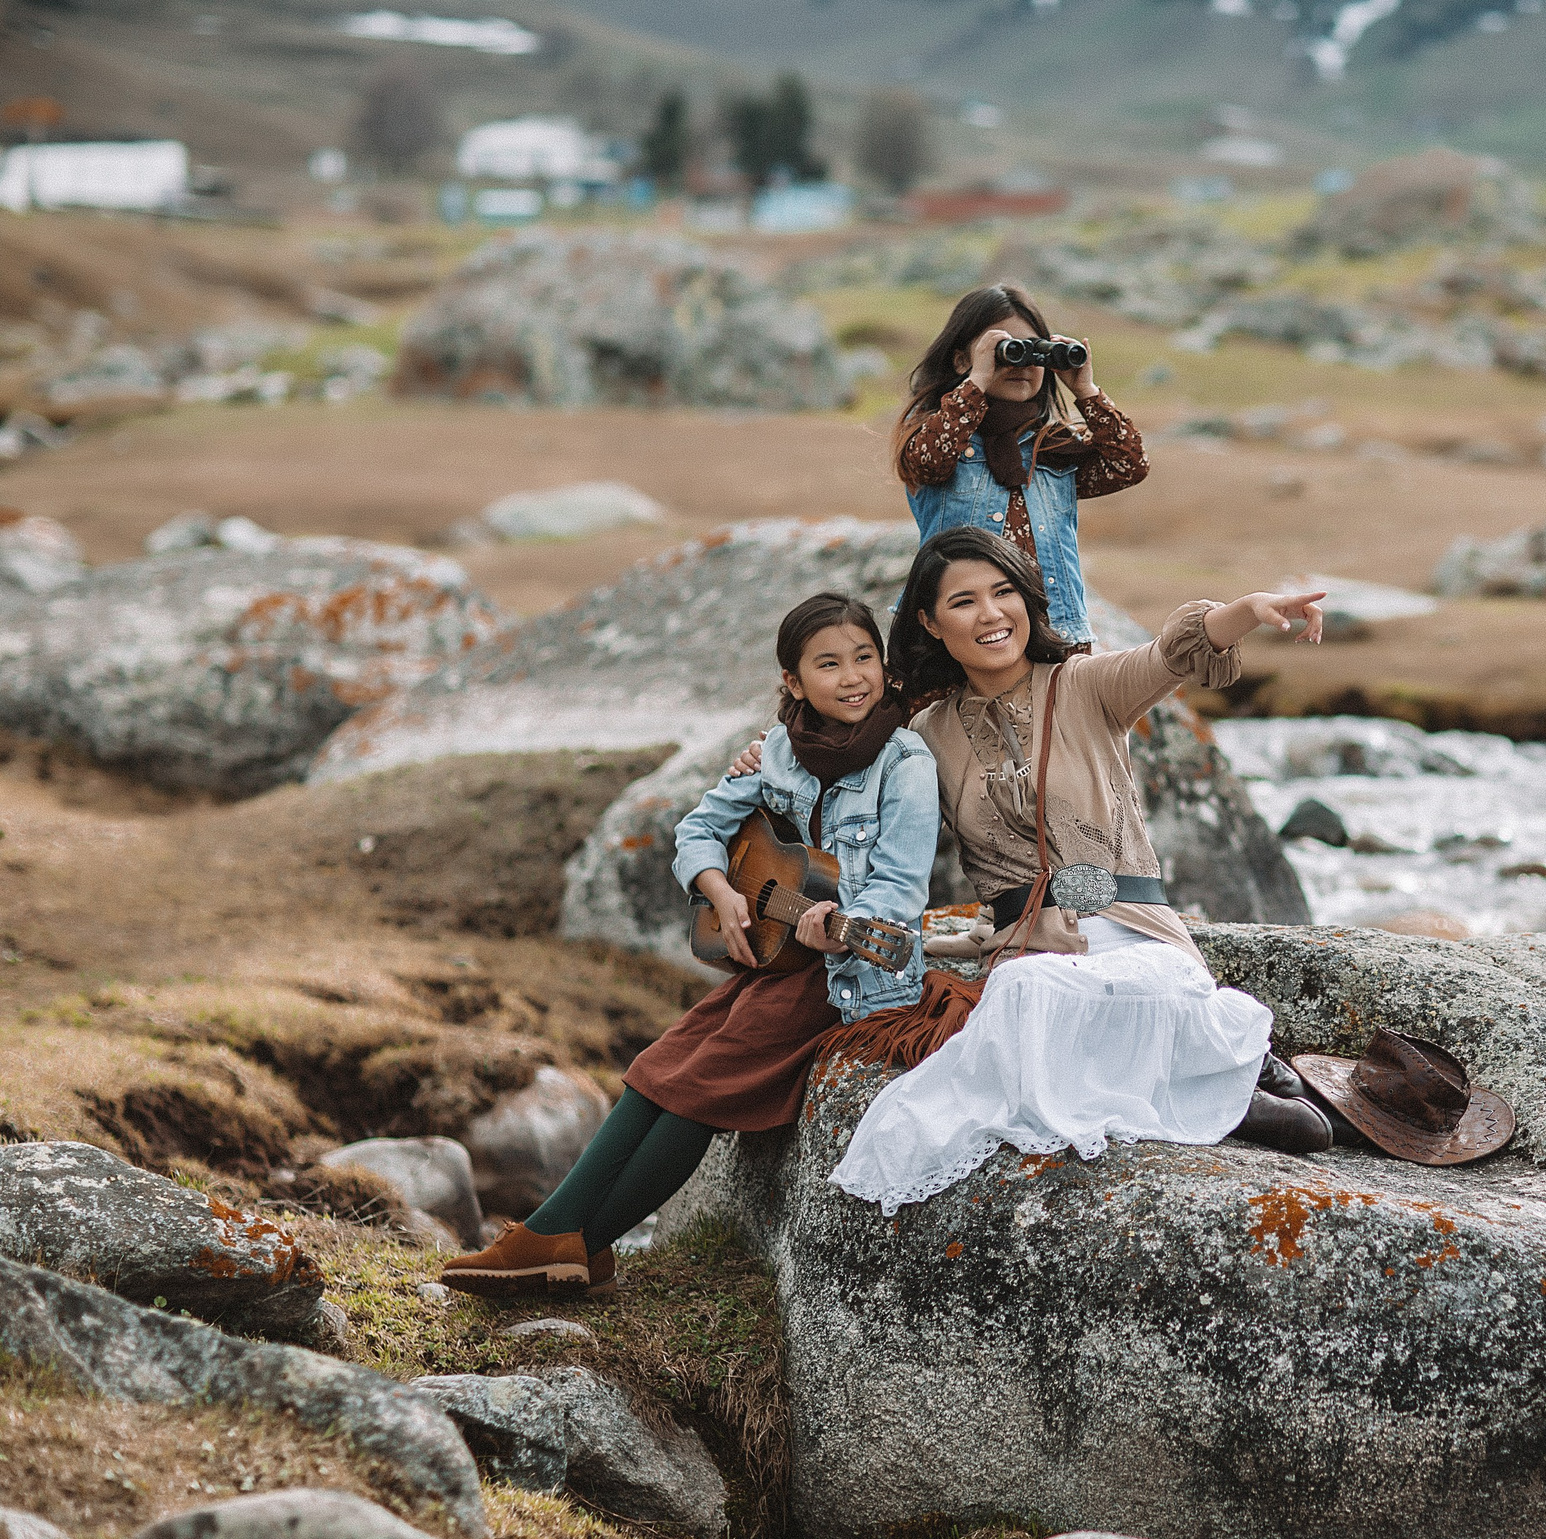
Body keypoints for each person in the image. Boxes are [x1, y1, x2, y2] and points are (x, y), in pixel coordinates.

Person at [729, 527, 1348, 1214]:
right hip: (1027, 949)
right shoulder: (924, 734)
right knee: (1023, 989)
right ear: (931, 623)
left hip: (1127, 926)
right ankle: (1217, 1078)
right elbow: (840, 746)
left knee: (1128, 987)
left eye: (1004, 592)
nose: (992, 614)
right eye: (965, 601)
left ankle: (1221, 1064)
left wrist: (1243, 610)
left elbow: (1171, 653)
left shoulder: (1086, 684)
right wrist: (769, 754)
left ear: (1026, 600)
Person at [440, 592, 938, 1298]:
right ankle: (562, 1240)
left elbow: (897, 892)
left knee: (695, 1087)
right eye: (829, 663)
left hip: (850, 976)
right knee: (657, 1067)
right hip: (780, 964)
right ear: (794, 682)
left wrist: (837, 924)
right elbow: (697, 830)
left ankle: (569, 1243)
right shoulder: (776, 751)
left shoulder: (905, 760)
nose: (853, 675)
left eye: (865, 658)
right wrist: (722, 890)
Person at [894, 283, 1147, 647]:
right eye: (1005, 350)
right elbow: (930, 461)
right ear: (962, 359)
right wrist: (977, 381)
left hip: (1053, 634)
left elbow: (1130, 464)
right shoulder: (938, 435)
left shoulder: (1052, 449)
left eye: (1034, 351)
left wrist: (1086, 391)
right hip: (962, 642)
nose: (1023, 364)